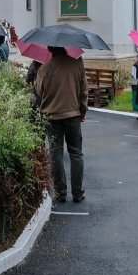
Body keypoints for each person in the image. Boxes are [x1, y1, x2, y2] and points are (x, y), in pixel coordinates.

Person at [32, 46, 86, 205]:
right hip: (73, 115)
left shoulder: (44, 68)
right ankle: (78, 193)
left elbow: (39, 92)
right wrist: (82, 111)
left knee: (56, 153)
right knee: (76, 153)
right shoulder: (76, 64)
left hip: (51, 116)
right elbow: (83, 91)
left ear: (49, 49)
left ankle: (60, 193)